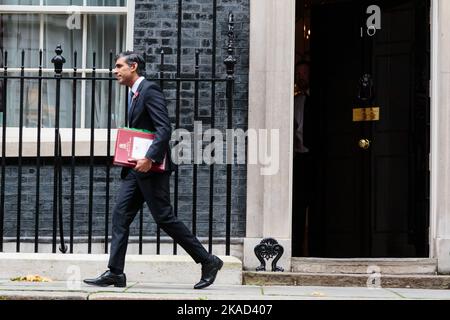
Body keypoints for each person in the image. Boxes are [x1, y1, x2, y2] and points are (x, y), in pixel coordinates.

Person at [83, 51, 223, 289]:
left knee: (165, 218)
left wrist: (149, 158)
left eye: (119, 66)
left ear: (133, 67)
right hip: (135, 170)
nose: (114, 71)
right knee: (120, 216)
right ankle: (115, 271)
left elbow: (164, 129)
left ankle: (208, 261)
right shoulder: (133, 93)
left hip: (152, 168)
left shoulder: (149, 90)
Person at [292, 61, 314, 257]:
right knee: (298, 204)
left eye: (304, 73)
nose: (301, 77)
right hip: (298, 158)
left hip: (314, 157)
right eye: (298, 73)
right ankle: (296, 248)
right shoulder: (294, 101)